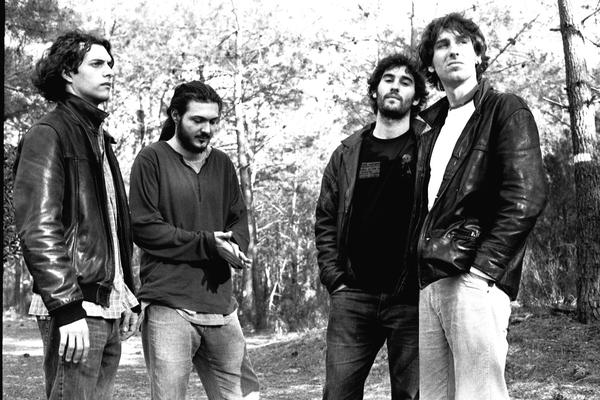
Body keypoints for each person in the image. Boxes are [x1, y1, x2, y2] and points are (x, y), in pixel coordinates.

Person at [412, 13, 547, 399]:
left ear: (477, 55)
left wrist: (482, 272)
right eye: (442, 45)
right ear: (431, 64)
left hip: (474, 280)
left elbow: (527, 196)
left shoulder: (505, 109)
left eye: (462, 42)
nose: (453, 50)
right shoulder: (427, 127)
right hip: (430, 283)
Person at [13, 30, 140, 400]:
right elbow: (38, 227)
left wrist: (127, 293)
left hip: (107, 307)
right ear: (68, 73)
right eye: (97, 64)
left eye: (110, 64)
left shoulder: (99, 138)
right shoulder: (48, 133)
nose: (109, 71)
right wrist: (68, 308)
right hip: (75, 308)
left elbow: (111, 229)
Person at [129, 81, 260, 400]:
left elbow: (238, 218)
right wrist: (208, 244)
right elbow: (145, 229)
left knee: (245, 396)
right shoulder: (151, 159)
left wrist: (235, 247)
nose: (207, 129)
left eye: (213, 121)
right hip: (169, 305)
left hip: (220, 306)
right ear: (176, 116)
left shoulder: (223, 164)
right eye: (197, 120)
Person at [315, 54, 427, 400]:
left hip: (411, 297)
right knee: (338, 394)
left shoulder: (430, 147)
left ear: (416, 98)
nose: (395, 86)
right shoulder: (348, 152)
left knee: (412, 396)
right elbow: (325, 218)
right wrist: (334, 278)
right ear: (375, 91)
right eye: (388, 79)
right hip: (353, 295)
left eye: (406, 82)